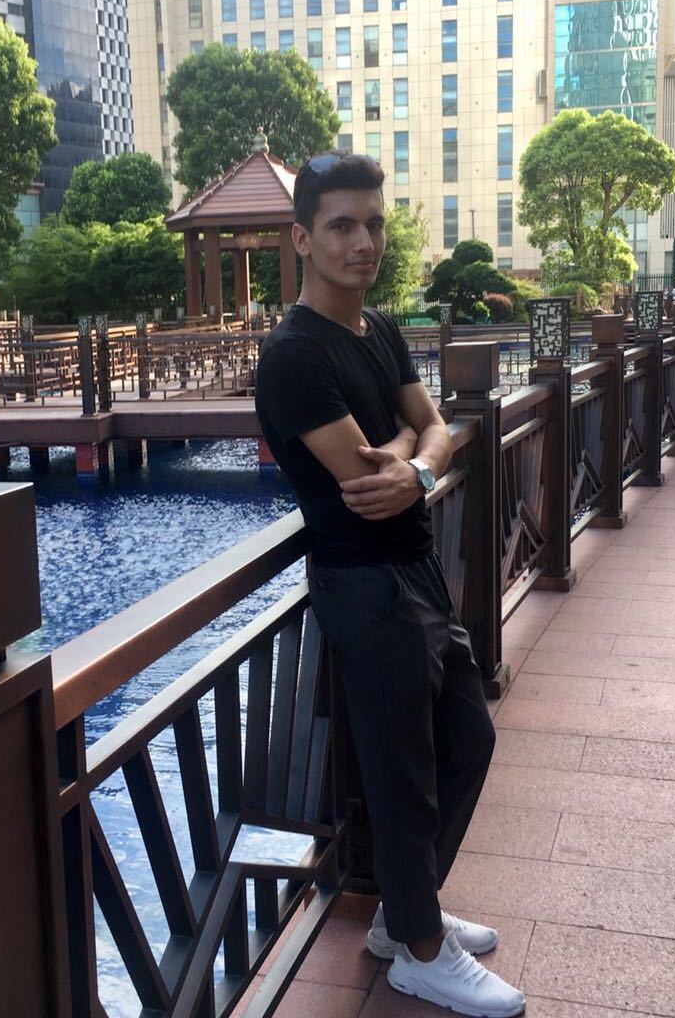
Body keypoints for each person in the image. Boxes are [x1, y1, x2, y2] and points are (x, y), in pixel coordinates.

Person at [253, 151, 525, 1018]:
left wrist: (418, 464)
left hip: (415, 570)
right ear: (302, 238)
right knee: (402, 773)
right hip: (363, 585)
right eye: (341, 225)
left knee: (468, 739)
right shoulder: (294, 356)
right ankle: (420, 951)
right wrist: (412, 459)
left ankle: (407, 916)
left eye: (373, 223)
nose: (363, 241)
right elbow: (366, 480)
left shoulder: (378, 330)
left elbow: (430, 428)